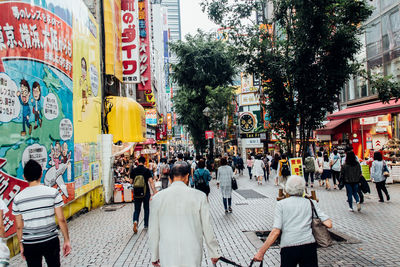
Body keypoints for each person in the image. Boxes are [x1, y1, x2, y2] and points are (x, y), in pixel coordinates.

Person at [148, 161, 220, 267]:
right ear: (187, 177)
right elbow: (207, 226)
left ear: (170, 179)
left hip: (168, 250)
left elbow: (153, 230)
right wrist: (214, 252)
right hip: (192, 248)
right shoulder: (199, 196)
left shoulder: (157, 198)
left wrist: (154, 255)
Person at [253, 176, 332, 266]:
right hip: (309, 246)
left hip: (288, 246)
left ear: (287, 188)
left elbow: (275, 231)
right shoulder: (311, 203)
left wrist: (261, 252)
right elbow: (329, 224)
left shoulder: (281, 204)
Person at [12, 160, 71, 266]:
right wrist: (66, 240)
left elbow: (19, 226)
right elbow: (61, 219)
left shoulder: (17, 199)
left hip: (30, 243)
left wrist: (21, 245)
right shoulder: (52, 193)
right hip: (50, 240)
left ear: (24, 177)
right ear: (41, 174)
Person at [131, 156, 158, 233]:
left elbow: (130, 181)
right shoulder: (147, 170)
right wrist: (154, 191)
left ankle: (135, 221)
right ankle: (146, 224)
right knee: (146, 208)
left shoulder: (134, 170)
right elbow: (151, 181)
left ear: (138, 162)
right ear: (144, 162)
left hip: (136, 193)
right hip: (146, 192)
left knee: (137, 209)